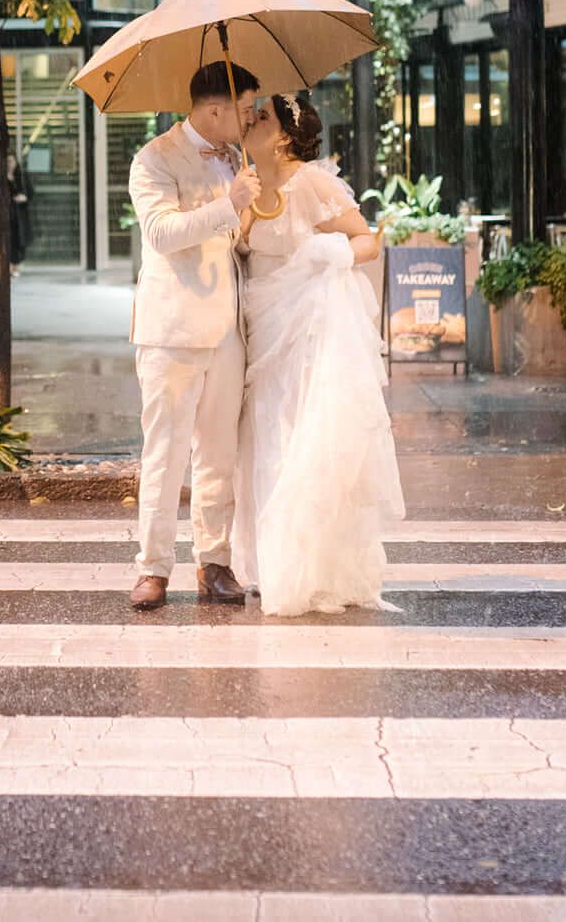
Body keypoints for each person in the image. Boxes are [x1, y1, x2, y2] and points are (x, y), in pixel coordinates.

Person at [232, 90, 406, 616]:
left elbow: (366, 240)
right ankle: (272, 561)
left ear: (283, 138)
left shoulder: (311, 182)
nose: (251, 121)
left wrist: (323, 254)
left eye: (262, 117)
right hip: (259, 332)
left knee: (299, 440)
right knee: (265, 440)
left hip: (305, 333)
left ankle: (310, 567)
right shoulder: (245, 183)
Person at [124, 61, 262, 611]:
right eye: (245, 109)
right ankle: (153, 567)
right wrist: (229, 204)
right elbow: (162, 233)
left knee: (219, 453)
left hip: (227, 328)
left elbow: (231, 242)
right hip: (172, 331)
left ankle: (215, 562)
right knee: (165, 453)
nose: (251, 119)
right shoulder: (154, 159)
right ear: (215, 110)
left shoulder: (235, 159)